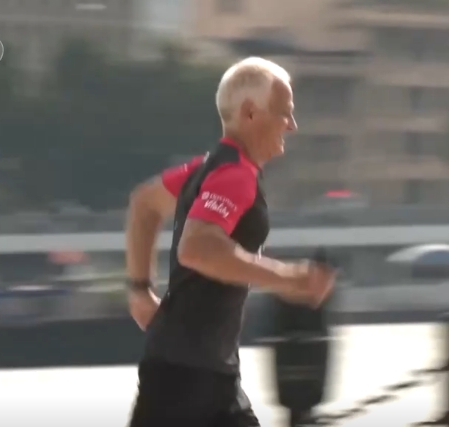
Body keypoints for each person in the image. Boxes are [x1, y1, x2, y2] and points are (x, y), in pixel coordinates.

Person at [123, 57, 337, 427]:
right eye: (283, 113)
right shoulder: (234, 175)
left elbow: (145, 202)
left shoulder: (208, 168)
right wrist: (287, 279)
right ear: (250, 113)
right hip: (185, 383)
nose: (291, 125)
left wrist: (139, 290)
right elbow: (197, 248)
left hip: (206, 376)